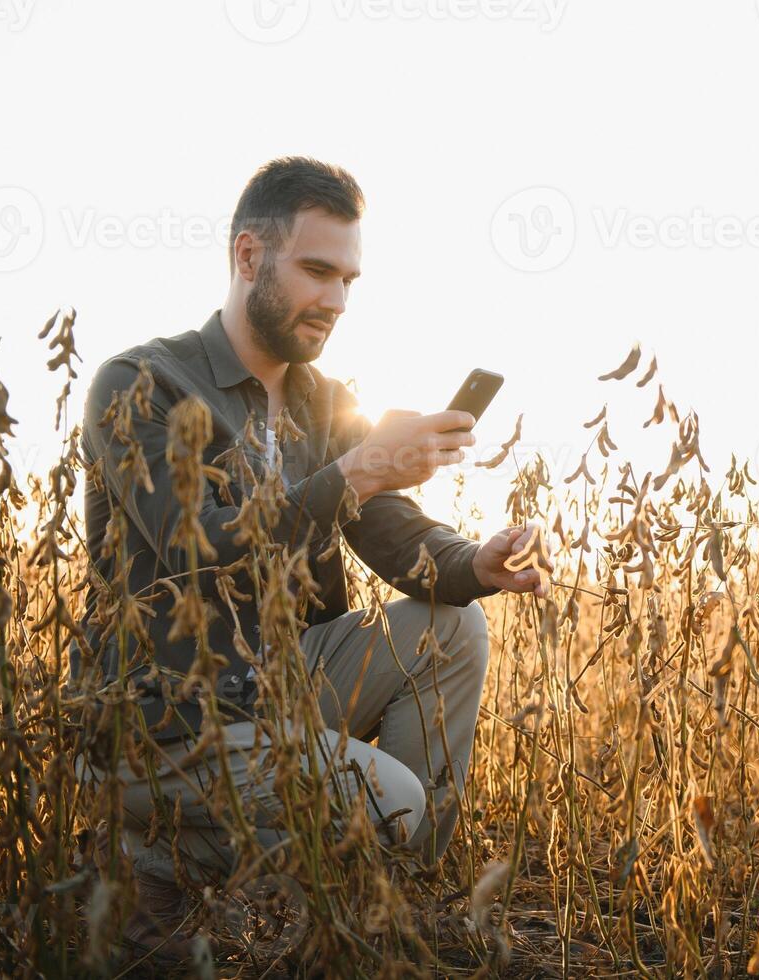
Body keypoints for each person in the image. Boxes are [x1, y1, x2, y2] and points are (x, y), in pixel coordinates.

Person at [72, 156, 550, 955]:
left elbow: (389, 526)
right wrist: (357, 469)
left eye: (349, 280)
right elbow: (197, 548)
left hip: (278, 687)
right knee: (396, 803)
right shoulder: (141, 383)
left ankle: (375, 916)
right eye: (316, 270)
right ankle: (162, 853)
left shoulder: (324, 402)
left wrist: (478, 562)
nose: (334, 300)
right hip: (170, 716)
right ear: (249, 257)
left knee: (452, 627)